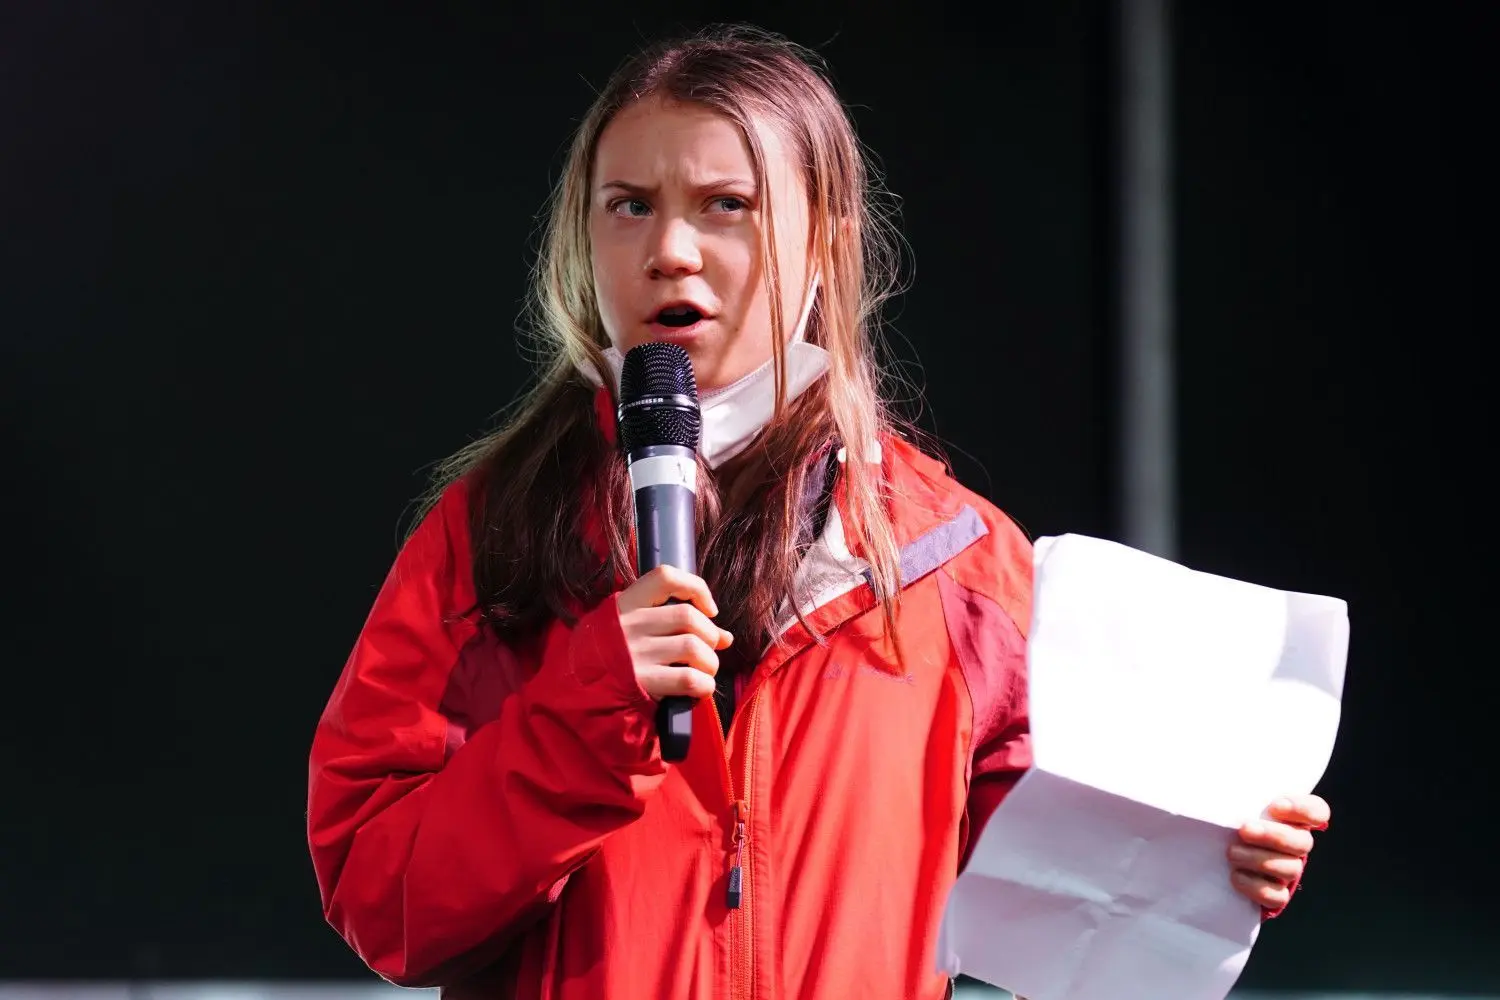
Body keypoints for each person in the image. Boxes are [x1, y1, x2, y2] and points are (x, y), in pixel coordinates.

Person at [305, 24, 1331, 1000]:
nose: (670, 248)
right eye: (628, 205)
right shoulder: (487, 538)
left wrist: (1206, 864)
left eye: (725, 205)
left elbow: (1060, 922)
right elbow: (377, 896)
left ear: (830, 245)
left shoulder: (956, 564)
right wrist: (588, 711)